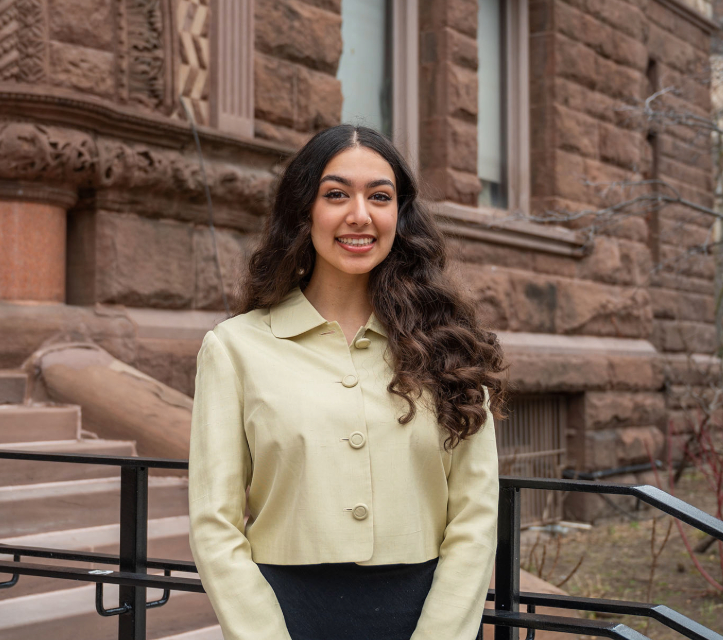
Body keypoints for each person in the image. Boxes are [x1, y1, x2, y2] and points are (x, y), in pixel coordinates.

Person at [187, 124, 508, 640]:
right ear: (303, 211)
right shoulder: (234, 348)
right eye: (336, 194)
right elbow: (214, 523)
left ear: (399, 216)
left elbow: (475, 517)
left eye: (379, 197)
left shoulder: (449, 345)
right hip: (283, 618)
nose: (359, 215)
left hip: (423, 619)